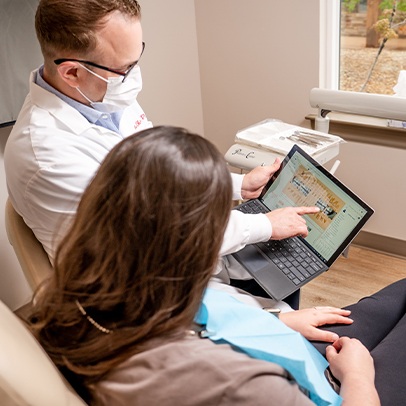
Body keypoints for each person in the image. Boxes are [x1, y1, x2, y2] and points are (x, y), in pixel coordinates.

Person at [28, 126, 406, 405]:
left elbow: (193, 328)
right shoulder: (235, 384)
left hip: (269, 344)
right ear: (199, 245)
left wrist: (277, 321)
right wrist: (358, 375)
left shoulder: (71, 302)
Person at [4, 0, 318, 309]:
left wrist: (238, 185)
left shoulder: (104, 99)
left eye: (136, 58)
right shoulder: (48, 156)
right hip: (141, 297)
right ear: (72, 73)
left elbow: (164, 180)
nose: (135, 76)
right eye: (125, 68)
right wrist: (263, 226)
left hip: (180, 259)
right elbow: (157, 236)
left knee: (283, 263)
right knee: (296, 325)